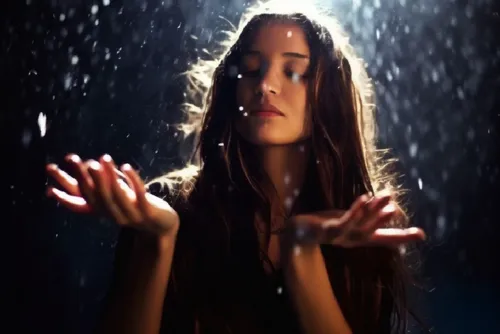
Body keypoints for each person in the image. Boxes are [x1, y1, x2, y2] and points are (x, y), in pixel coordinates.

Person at [46, 1, 427, 333]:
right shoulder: (168, 207)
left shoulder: (360, 227)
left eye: (294, 71)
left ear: (329, 96)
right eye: (250, 68)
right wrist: (156, 240)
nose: (265, 86)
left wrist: (301, 251)